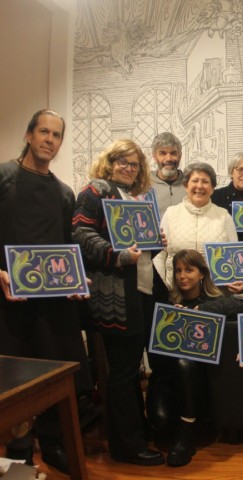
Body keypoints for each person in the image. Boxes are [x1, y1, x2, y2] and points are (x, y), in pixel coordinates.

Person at [0, 110, 93, 474]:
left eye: (56, 135)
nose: (49, 140)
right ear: (28, 135)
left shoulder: (64, 192)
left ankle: (54, 446)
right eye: (43, 132)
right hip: (10, 300)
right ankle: (20, 452)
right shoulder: (3, 177)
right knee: (16, 379)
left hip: (54, 305)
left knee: (55, 375)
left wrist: (75, 279)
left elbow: (66, 246)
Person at [72, 139, 164, 465]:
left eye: (134, 164)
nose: (129, 168)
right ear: (109, 163)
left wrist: (156, 241)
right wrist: (118, 255)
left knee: (132, 367)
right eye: (122, 161)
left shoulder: (135, 198)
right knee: (123, 371)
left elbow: (137, 246)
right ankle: (126, 446)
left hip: (140, 290)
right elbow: (81, 235)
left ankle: (135, 432)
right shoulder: (96, 191)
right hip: (115, 296)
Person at [162, 249, 243, 467]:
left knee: (185, 363)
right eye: (178, 270)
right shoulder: (169, 301)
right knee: (160, 421)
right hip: (168, 373)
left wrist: (203, 310)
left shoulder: (213, 298)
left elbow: (239, 305)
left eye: (189, 270)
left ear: (201, 274)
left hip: (203, 371)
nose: (182, 276)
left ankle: (187, 430)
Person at [153, 162, 238, 291]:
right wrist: (162, 288)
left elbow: (234, 258)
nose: (199, 186)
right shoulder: (171, 214)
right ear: (186, 185)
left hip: (214, 294)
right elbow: (159, 255)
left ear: (213, 187)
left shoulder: (224, 216)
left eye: (205, 182)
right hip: (175, 293)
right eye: (195, 181)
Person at [150, 132, 187, 217]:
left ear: (180, 156)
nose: (168, 158)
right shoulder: (144, 185)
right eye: (162, 153)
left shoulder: (190, 184)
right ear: (154, 157)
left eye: (173, 153)